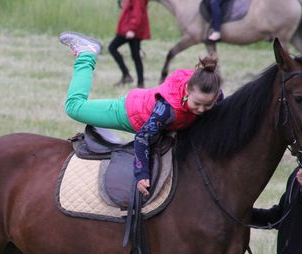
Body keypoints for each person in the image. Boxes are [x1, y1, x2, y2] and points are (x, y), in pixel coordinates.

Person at [59, 31, 222, 197]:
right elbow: (142, 138)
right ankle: (87, 54)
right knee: (74, 107)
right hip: (129, 112)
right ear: (187, 90)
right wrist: (141, 174)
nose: (201, 109)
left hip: (150, 105)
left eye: (207, 105)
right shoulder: (166, 110)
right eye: (197, 104)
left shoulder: (208, 88)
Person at [108, 0, 150, 88]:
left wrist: (132, 29)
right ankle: (139, 83)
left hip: (131, 30)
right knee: (136, 56)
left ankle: (128, 75)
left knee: (112, 47)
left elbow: (137, 11)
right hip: (130, 28)